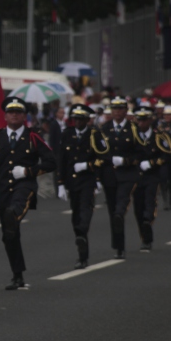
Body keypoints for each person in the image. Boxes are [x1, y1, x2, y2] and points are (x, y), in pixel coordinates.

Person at [0, 97, 56, 290]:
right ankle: (17, 275)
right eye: (11, 112)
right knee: (9, 235)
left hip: (24, 188)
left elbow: (51, 161)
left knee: (12, 214)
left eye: (18, 112)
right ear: (5, 116)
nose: (14, 115)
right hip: (1, 192)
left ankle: (13, 213)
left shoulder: (33, 136)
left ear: (24, 116)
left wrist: (28, 172)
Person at [96, 96, 144, 259]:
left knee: (121, 202)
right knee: (112, 210)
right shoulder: (104, 129)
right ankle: (119, 246)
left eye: (120, 109)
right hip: (109, 174)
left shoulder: (134, 128)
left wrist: (127, 161)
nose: (117, 112)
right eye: (114, 109)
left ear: (125, 111)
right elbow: (98, 151)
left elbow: (141, 151)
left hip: (128, 173)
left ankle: (120, 214)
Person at [57, 104, 104, 269]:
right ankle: (82, 249)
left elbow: (103, 157)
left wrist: (88, 167)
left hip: (88, 180)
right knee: (76, 216)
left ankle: (82, 245)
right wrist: (60, 183)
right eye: (74, 119)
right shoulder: (67, 134)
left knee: (85, 210)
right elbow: (62, 160)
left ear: (86, 120)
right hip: (72, 182)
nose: (76, 122)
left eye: (80, 119)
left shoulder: (95, 135)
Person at [131, 106, 171, 252]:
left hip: (153, 175)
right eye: (139, 119)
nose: (141, 123)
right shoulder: (132, 136)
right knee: (138, 208)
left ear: (150, 120)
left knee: (149, 204)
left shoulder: (159, 137)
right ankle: (144, 234)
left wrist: (151, 163)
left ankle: (147, 229)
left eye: (144, 119)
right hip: (136, 176)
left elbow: (167, 155)